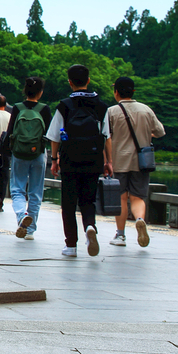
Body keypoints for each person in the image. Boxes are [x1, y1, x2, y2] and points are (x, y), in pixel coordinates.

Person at [46, 65, 113, 257]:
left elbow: (55, 136)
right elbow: (107, 136)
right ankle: (90, 226)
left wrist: (54, 159)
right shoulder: (101, 106)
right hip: (93, 159)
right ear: (88, 80)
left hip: (70, 159)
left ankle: (71, 246)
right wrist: (108, 162)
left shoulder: (64, 105)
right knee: (88, 201)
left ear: (70, 82)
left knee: (68, 203)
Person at [107, 77, 165, 248]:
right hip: (142, 162)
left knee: (121, 198)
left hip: (119, 160)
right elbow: (160, 131)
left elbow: (105, 136)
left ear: (116, 92)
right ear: (133, 92)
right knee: (138, 196)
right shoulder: (146, 110)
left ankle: (120, 235)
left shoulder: (111, 111)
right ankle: (139, 220)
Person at [0, 77, 52, 239]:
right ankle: (30, 230)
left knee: (17, 190)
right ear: (40, 92)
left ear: (25, 90)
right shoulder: (44, 109)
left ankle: (21, 216)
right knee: (35, 192)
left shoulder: (17, 108)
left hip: (19, 153)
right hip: (38, 154)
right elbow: (50, 135)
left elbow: (10, 133)